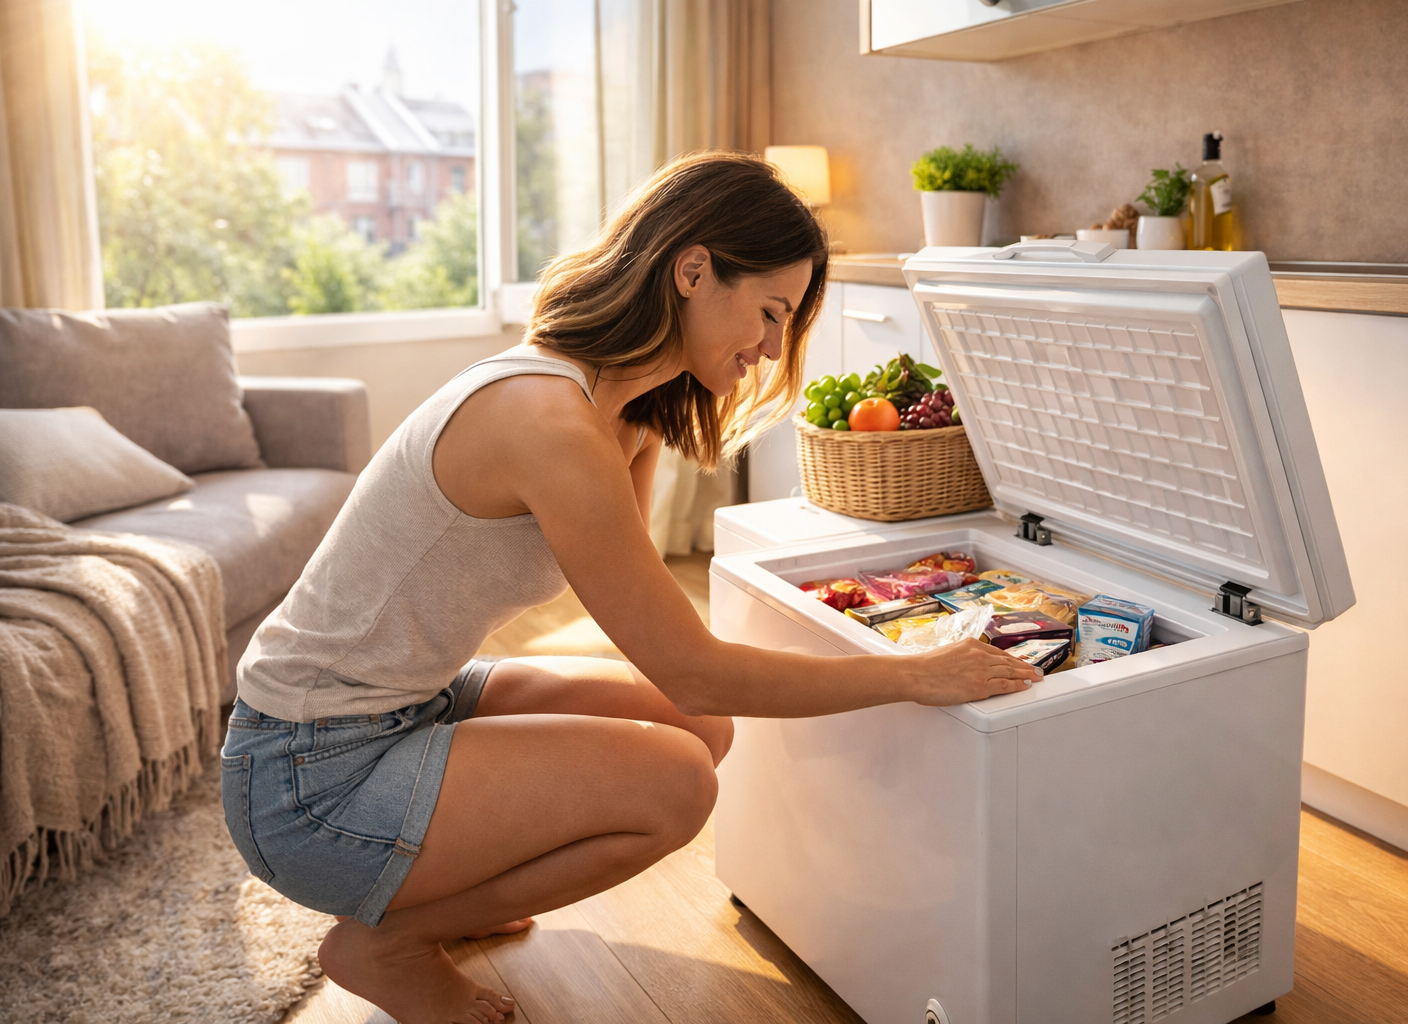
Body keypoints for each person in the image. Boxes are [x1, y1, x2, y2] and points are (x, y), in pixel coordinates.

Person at [220, 152, 1039, 1024]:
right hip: (302, 774)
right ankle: (389, 943)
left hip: (411, 702)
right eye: (768, 312)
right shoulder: (546, 421)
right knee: (678, 782)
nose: (769, 348)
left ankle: (444, 886)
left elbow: (663, 650)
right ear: (693, 270)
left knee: (699, 729)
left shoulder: (623, 414)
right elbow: (693, 666)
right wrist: (914, 671)